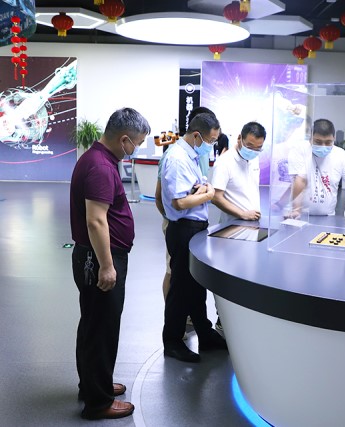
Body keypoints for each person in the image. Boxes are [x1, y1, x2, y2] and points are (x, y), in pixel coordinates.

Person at [70, 107, 150, 420]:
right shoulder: (101, 167)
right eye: (137, 143)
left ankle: (93, 385)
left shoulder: (96, 158)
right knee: (102, 329)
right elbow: (96, 221)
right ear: (124, 139)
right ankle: (98, 402)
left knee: (93, 325)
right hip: (99, 258)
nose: (137, 148)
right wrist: (106, 265)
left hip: (95, 256)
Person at [160, 112, 227, 363]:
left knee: (197, 286)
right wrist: (208, 195)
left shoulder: (191, 156)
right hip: (183, 228)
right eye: (211, 141)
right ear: (197, 135)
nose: (212, 145)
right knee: (180, 288)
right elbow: (179, 202)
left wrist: (203, 190)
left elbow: (196, 187)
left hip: (195, 226)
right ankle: (172, 341)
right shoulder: (177, 158)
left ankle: (205, 334)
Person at [287, 119, 345, 217]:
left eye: (328, 142)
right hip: (302, 216)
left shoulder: (341, 154)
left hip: (328, 217)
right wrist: (296, 210)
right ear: (310, 138)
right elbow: (300, 181)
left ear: (334, 138)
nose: (323, 146)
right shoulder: (300, 150)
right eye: (318, 142)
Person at [211, 122, 266, 223]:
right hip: (232, 224)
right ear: (239, 138)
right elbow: (216, 197)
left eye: (258, 148)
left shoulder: (254, 158)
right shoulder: (224, 162)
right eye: (249, 146)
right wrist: (242, 214)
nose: (253, 151)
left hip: (253, 222)